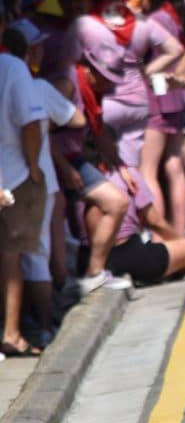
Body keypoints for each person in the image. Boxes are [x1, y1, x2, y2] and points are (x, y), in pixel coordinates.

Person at [5, 22, 81, 344]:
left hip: (22, 179)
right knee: (34, 255)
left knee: (14, 256)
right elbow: (65, 119)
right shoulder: (23, 77)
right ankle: (43, 327)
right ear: (31, 51)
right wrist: (35, 167)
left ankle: (22, 327)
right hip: (24, 179)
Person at [48, 43, 135, 294]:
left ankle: (94, 271)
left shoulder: (91, 92)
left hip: (74, 159)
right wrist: (65, 168)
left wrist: (121, 166)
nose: (110, 86)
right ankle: (65, 282)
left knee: (115, 203)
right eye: (107, 79)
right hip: (56, 161)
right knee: (57, 218)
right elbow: (41, 130)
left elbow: (99, 132)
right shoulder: (66, 84)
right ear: (91, 71)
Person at [68, 0, 182, 170]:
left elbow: (69, 60)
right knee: (132, 168)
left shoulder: (87, 23)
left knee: (103, 166)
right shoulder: (140, 21)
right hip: (137, 101)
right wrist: (145, 71)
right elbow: (175, 49)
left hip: (104, 101)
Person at [140, 0, 185, 236]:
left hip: (158, 96)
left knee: (148, 169)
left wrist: (144, 71)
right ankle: (179, 231)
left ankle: (160, 236)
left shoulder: (154, 19)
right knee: (173, 164)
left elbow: (169, 51)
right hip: (177, 95)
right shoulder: (177, 15)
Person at [0, 32, 47, 357]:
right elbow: (31, 123)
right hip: (13, 177)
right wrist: (33, 167)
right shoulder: (12, 67)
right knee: (10, 256)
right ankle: (12, 333)